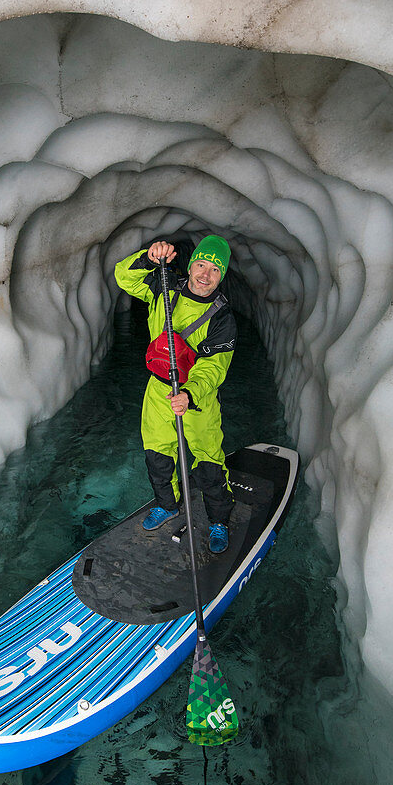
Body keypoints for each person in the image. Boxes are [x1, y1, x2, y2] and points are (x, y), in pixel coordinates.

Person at [115, 235, 237, 554]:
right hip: (158, 388)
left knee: (208, 461)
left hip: (197, 398)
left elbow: (213, 367)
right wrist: (149, 258)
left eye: (214, 269)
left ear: (221, 276)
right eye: (201, 264)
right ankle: (168, 506)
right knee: (157, 452)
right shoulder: (165, 286)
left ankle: (219, 520)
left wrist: (190, 394)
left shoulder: (222, 318)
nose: (205, 274)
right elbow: (123, 276)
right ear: (191, 264)